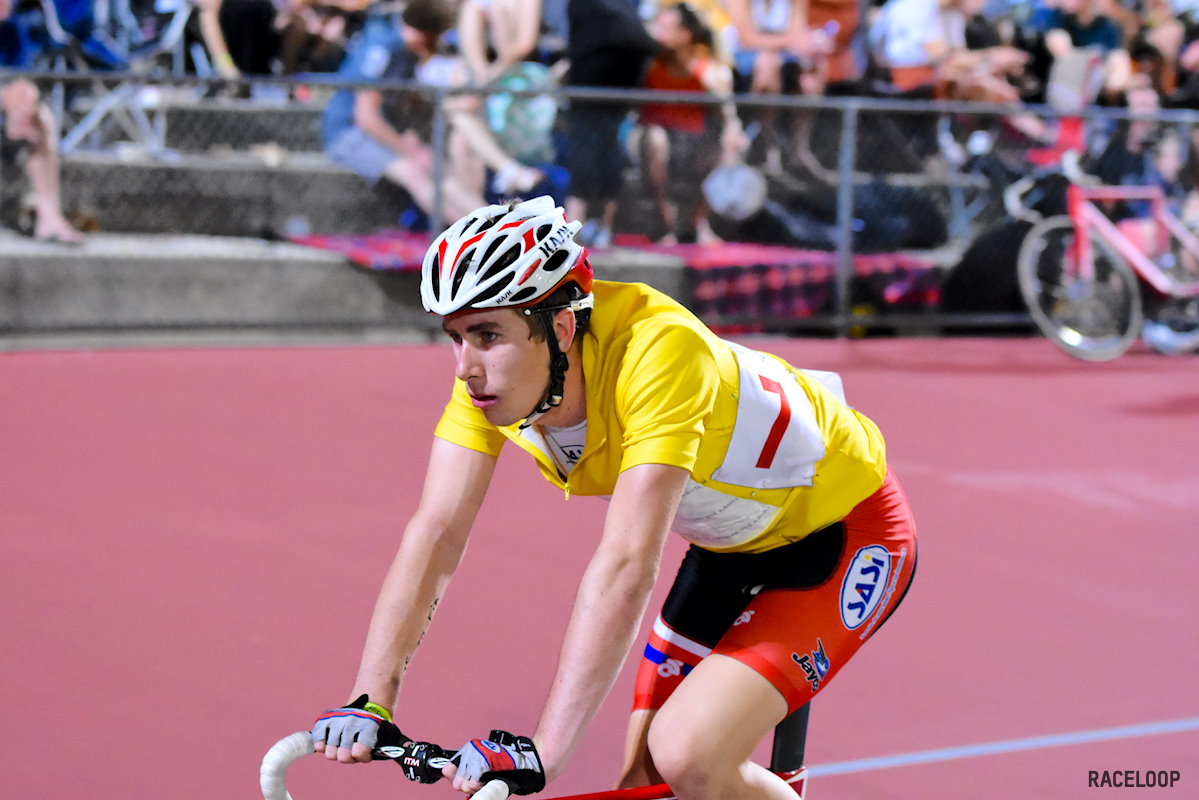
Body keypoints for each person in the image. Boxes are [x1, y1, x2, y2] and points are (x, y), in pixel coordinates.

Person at [310, 195, 919, 799]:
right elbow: (436, 532)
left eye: (487, 334)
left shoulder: (659, 352)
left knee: (689, 756)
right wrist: (371, 700)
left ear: (563, 326)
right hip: (729, 545)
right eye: (456, 336)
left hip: (845, 530)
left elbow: (627, 561)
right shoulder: (496, 384)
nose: (465, 367)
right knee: (642, 785)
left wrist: (545, 753)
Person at [321, 0, 542, 225]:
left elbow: (413, 103)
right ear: (423, 34)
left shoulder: (408, 54)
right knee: (414, 171)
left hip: (383, 131)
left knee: (441, 168)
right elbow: (366, 117)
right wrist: (408, 149)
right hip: (349, 133)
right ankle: (478, 234)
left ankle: (498, 225)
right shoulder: (386, 46)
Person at [632, 2, 746, 244]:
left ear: (685, 34)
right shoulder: (650, 63)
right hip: (655, 140)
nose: (654, 32)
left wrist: (732, 137)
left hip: (695, 143)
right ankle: (666, 224)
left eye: (664, 27)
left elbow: (729, 118)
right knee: (654, 139)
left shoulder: (711, 70)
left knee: (729, 145)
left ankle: (698, 222)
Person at [0, 0, 84, 243]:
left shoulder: (18, 25)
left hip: (12, 109)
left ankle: (49, 218)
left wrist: (25, 101)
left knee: (43, 120)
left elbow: (27, 77)